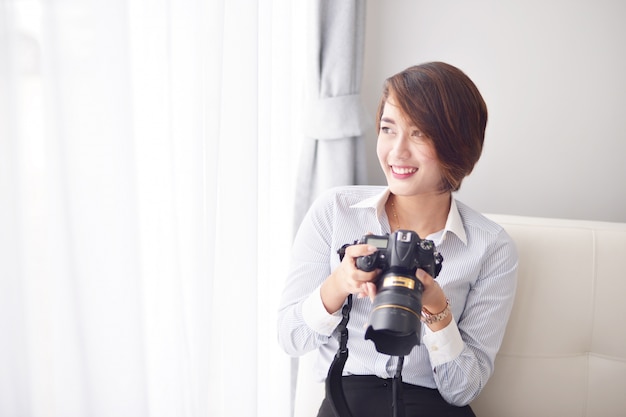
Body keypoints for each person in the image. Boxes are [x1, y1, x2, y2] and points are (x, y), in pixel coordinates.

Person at [278, 62, 518, 417]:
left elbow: (463, 389)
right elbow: (290, 338)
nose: (397, 151)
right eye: (388, 129)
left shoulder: (491, 247)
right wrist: (339, 284)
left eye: (419, 134)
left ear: (457, 144)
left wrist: (437, 312)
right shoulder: (335, 211)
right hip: (346, 401)